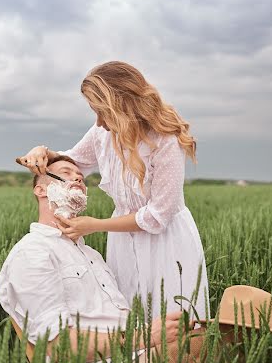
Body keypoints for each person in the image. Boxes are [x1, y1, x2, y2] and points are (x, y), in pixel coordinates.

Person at [19, 61, 209, 319]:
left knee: (172, 322)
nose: (97, 121)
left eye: (100, 111)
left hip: (166, 245)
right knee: (130, 321)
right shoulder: (102, 132)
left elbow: (157, 216)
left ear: (123, 106)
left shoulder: (166, 140)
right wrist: (44, 152)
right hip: (123, 243)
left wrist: (94, 225)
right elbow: (76, 162)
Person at [0, 155, 185, 363]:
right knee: (210, 347)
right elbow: (58, 346)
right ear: (40, 190)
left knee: (218, 334)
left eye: (81, 177)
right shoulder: (32, 253)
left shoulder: (91, 254)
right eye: (66, 173)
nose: (78, 179)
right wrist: (143, 336)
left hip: (137, 355)